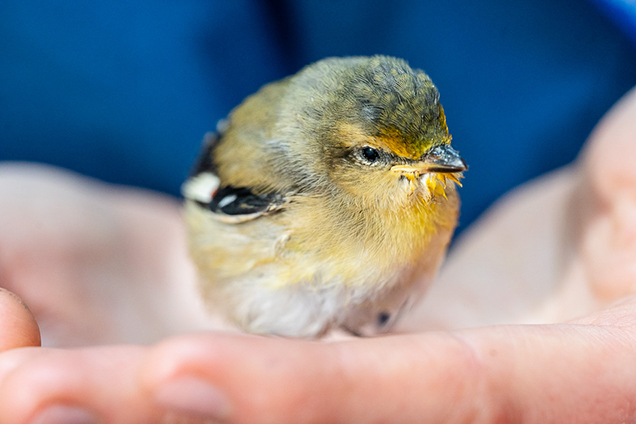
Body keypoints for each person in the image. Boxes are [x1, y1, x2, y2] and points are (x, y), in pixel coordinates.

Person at [0, 84, 634, 423]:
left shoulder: (431, 189)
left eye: (437, 144)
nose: (441, 165)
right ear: (342, 159)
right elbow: (206, 189)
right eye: (382, 157)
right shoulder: (275, 173)